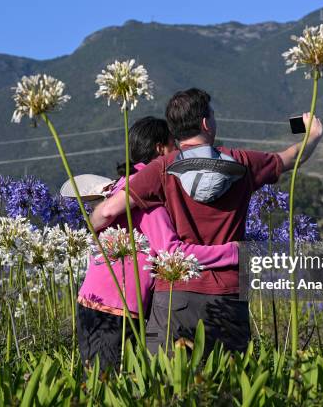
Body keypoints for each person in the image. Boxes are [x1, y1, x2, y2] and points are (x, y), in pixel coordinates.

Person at [90, 88, 323, 353]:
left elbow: (108, 211)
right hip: (229, 295)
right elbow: (291, 157)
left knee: (168, 383)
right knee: (227, 385)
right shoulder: (243, 162)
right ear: (205, 123)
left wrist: (90, 224)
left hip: (175, 296)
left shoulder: (161, 169)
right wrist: (313, 135)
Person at [76, 116, 239, 370]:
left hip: (93, 299)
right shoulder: (146, 197)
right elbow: (172, 253)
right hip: (116, 308)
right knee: (111, 385)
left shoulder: (120, 185)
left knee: (96, 381)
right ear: (161, 149)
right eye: (175, 147)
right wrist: (232, 252)